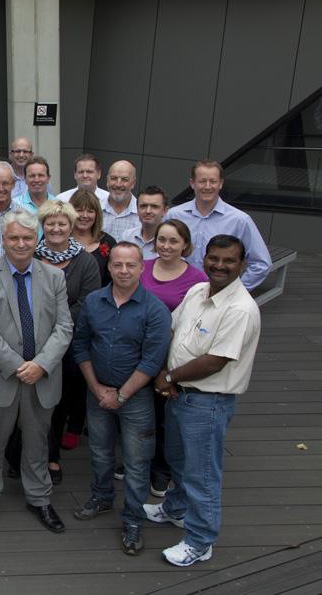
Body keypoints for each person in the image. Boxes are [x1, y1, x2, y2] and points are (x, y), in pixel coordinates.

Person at [148, 235, 261, 567]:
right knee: (179, 460)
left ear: (242, 265)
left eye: (229, 260)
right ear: (204, 258)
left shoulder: (240, 309)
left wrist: (169, 377)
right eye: (214, 258)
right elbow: (172, 331)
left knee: (202, 475)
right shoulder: (198, 290)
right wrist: (167, 373)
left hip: (208, 402)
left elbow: (215, 361)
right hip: (180, 394)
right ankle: (175, 508)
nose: (219, 265)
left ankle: (200, 541)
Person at [0, 210, 73, 534]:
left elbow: (64, 327)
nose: (21, 244)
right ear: (4, 240)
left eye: (27, 237)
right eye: (14, 237)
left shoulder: (54, 277)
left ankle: (39, 497)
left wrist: (41, 365)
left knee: (38, 443)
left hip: (41, 377)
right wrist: (16, 366)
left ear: (36, 239)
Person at [71, 243, 171, 556]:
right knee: (100, 452)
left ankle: (132, 519)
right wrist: (96, 388)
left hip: (136, 398)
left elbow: (152, 361)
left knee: (137, 462)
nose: (123, 271)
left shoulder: (155, 310)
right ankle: (102, 498)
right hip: (98, 392)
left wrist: (122, 394)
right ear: (109, 267)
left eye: (130, 265)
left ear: (142, 268)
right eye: (117, 264)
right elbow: (81, 345)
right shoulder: (93, 301)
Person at [27, 200, 101, 482]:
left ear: (71, 226)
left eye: (62, 223)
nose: (56, 228)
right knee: (27, 400)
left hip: (67, 345)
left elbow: (87, 302)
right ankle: (21, 453)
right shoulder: (30, 255)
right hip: (29, 340)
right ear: (42, 226)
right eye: (50, 223)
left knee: (56, 402)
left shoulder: (86, 261)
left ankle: (51, 457)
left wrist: (55, 327)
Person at [141, 218, 208, 498]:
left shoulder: (198, 280)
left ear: (185, 245)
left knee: (164, 416)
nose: (166, 246)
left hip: (171, 358)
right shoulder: (142, 268)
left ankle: (162, 469)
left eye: (173, 241)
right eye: (161, 239)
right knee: (140, 413)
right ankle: (138, 460)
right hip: (139, 353)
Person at [165, 160, 272, 289]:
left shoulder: (239, 220)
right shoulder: (174, 215)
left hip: (216, 294)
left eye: (213, 181)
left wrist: (234, 291)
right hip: (176, 290)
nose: (207, 186)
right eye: (202, 181)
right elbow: (158, 252)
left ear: (220, 184)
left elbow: (262, 264)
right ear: (192, 183)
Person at [70, 189, 116, 285]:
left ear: (97, 214)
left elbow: (112, 280)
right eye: (79, 210)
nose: (85, 215)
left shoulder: (108, 242)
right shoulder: (59, 238)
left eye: (90, 211)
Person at [121, 186, 169, 259]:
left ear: (165, 210)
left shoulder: (170, 241)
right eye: (143, 206)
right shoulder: (127, 236)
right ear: (137, 209)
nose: (148, 211)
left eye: (154, 206)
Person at [100, 160, 140, 241]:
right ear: (107, 181)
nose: (118, 184)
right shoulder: (95, 209)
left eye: (125, 179)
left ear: (133, 183)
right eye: (113, 178)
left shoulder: (142, 214)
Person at [13, 156, 55, 221]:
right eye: (32, 176)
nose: (36, 180)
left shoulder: (57, 204)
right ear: (25, 179)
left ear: (48, 178)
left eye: (41, 175)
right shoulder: (15, 205)